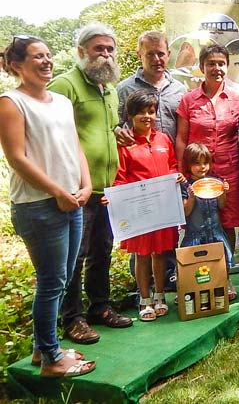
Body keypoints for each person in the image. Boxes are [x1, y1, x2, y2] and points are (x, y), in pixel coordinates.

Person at [0, 36, 96, 377]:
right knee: (52, 281)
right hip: (39, 206)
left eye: (48, 55)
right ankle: (53, 359)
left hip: (72, 200)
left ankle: (43, 350)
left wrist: (86, 185)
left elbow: (76, 148)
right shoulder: (11, 102)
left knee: (65, 277)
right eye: (37, 57)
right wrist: (57, 190)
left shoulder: (60, 101)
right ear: (17, 65)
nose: (46, 62)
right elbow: (16, 158)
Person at [48, 22, 133, 344]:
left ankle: (100, 307)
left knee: (102, 250)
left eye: (110, 49)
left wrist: (118, 134)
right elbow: (49, 138)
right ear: (82, 51)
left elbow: (106, 130)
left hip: (107, 189)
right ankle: (72, 318)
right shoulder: (64, 86)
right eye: (99, 48)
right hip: (76, 191)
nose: (106, 55)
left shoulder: (108, 88)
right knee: (75, 256)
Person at [175, 44, 239, 300]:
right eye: (211, 63)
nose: (217, 68)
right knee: (197, 224)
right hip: (197, 174)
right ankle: (196, 280)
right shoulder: (188, 100)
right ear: (202, 67)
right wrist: (183, 172)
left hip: (229, 171)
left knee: (226, 225)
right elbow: (181, 139)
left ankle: (225, 279)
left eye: (221, 63)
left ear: (227, 66)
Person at [111, 91, 186, 322]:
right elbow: (120, 177)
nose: (147, 116)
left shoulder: (164, 139)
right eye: (141, 112)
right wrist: (113, 197)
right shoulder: (124, 143)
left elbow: (172, 165)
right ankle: (144, 299)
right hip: (138, 211)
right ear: (130, 115)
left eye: (151, 112)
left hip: (163, 207)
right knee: (142, 255)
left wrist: (177, 176)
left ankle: (160, 295)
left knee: (161, 253)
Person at [180, 143, 237, 286]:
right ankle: (189, 288)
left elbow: (222, 205)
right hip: (195, 235)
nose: (202, 167)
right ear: (188, 164)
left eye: (206, 163)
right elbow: (186, 212)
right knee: (194, 266)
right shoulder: (185, 185)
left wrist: (223, 192)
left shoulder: (215, 181)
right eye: (197, 163)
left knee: (219, 263)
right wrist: (192, 196)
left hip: (215, 233)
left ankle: (224, 284)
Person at [116, 31, 187, 144]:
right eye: (150, 54)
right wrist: (118, 131)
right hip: (138, 158)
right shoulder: (125, 89)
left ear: (168, 54)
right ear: (139, 55)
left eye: (160, 54)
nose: (156, 59)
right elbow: (113, 124)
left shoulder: (180, 90)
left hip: (171, 158)